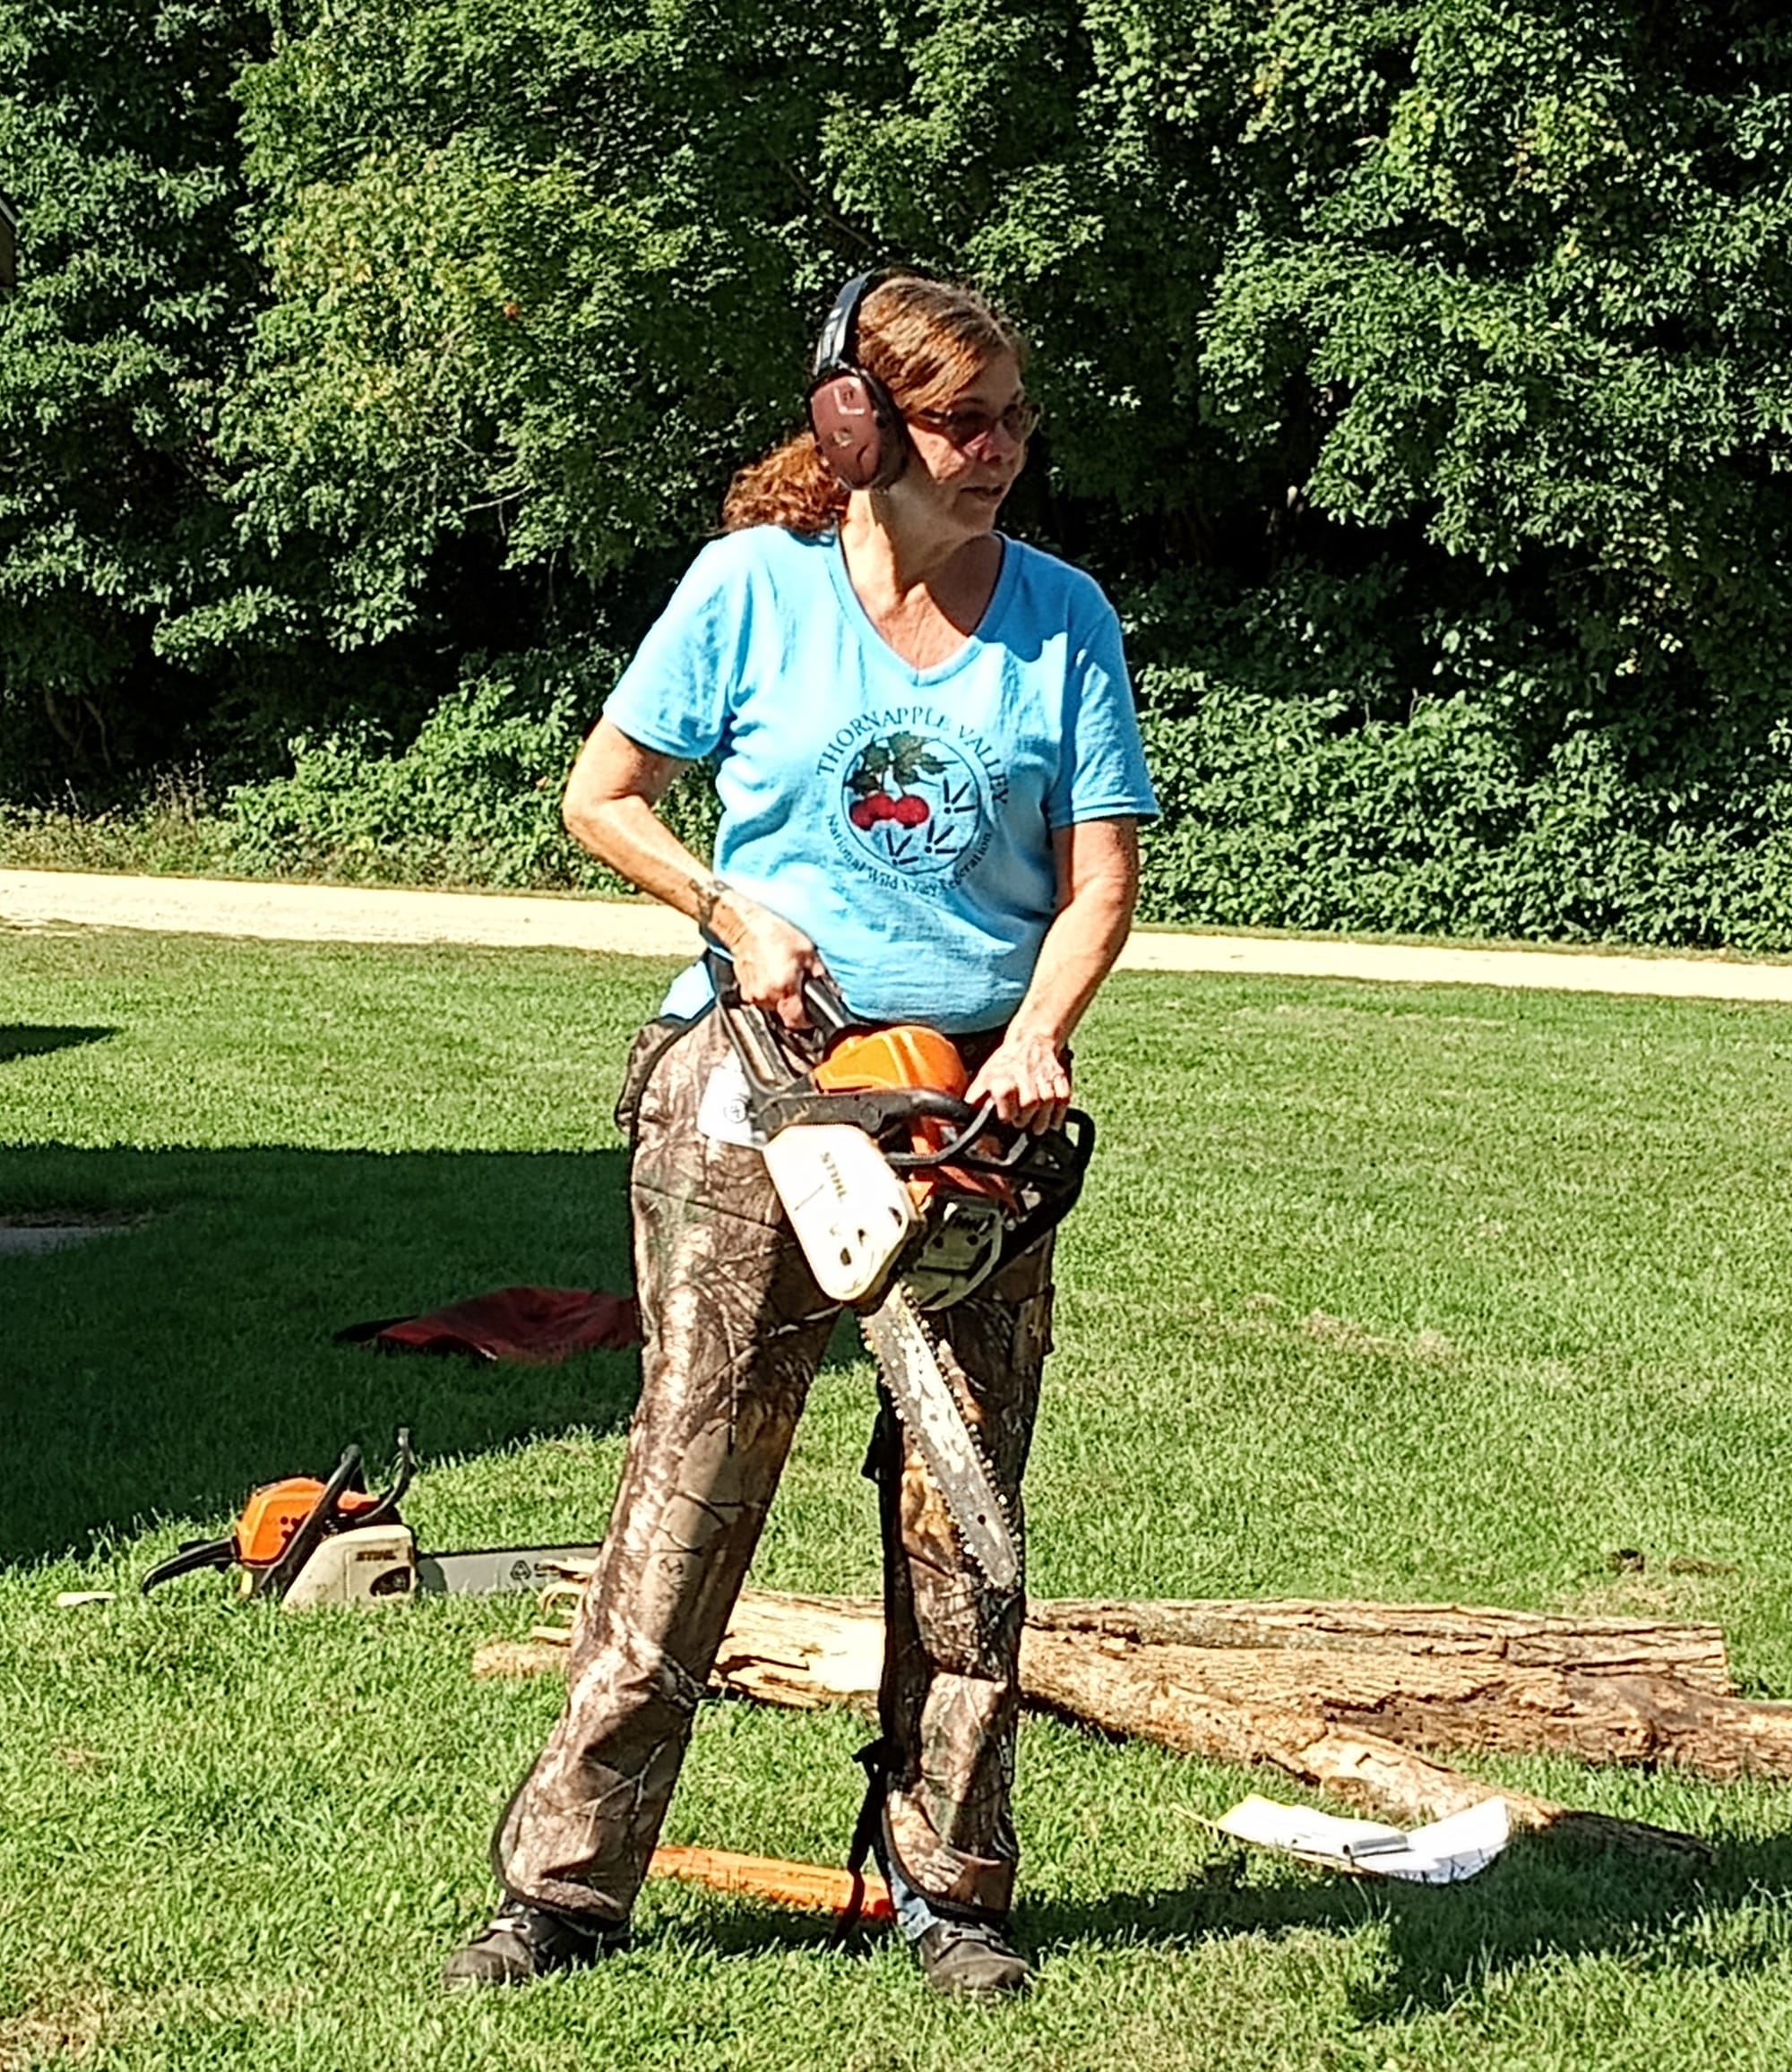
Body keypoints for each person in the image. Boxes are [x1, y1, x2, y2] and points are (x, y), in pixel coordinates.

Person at [444, 271, 1158, 1998]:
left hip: (967, 1117)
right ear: (861, 422)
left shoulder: (1064, 618)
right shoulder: (747, 592)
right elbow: (598, 797)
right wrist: (729, 907)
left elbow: (1101, 873)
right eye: (957, 421)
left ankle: (953, 1888)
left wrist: (1043, 1038)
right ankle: (563, 1883)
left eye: (1012, 419)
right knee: (691, 1484)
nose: (994, 453)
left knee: (966, 1507)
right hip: (752, 1096)